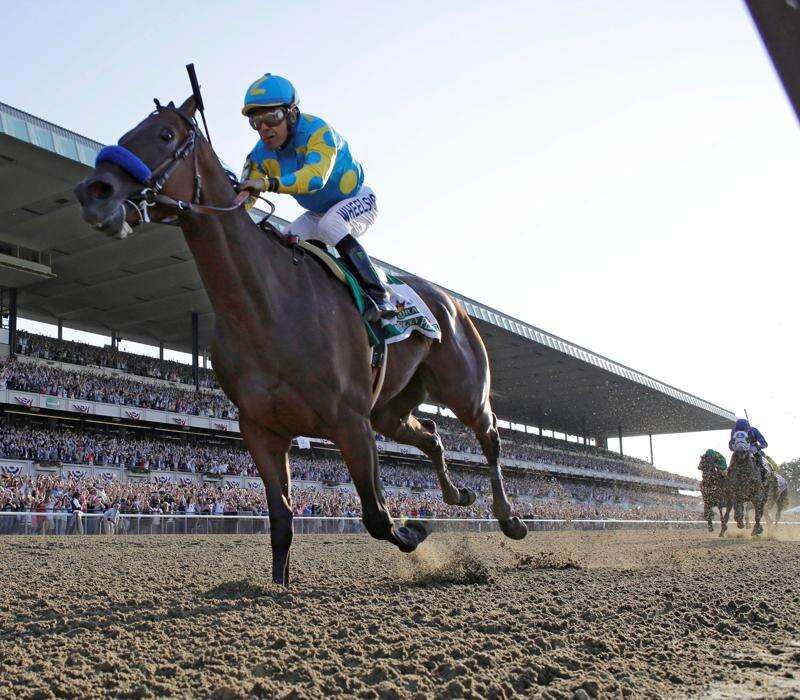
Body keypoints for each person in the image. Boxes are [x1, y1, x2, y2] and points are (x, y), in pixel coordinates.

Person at [238, 73, 397, 321]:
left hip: (358, 200)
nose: (264, 129)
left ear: (291, 114)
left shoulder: (318, 131)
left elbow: (315, 178)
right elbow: (243, 203)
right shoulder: (258, 156)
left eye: (272, 118)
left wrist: (268, 183)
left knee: (330, 225)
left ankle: (378, 294)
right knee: (285, 240)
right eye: (256, 122)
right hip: (317, 213)